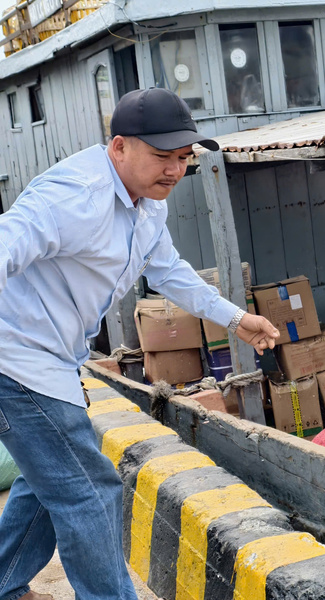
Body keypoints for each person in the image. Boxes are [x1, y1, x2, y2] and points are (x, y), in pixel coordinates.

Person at [0, 87, 280, 600]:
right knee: (89, 490)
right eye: (161, 157)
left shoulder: (147, 205)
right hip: (16, 360)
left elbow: (170, 270)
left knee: (49, 478)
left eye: (182, 158)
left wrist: (237, 319)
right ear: (119, 147)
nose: (174, 171)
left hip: (56, 359)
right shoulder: (72, 196)